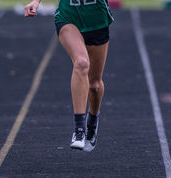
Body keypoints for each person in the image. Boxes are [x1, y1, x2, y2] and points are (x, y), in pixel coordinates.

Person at [24, 0, 113, 152]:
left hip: (97, 20)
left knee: (94, 85)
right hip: (68, 17)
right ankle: (79, 130)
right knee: (81, 63)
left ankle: (93, 119)